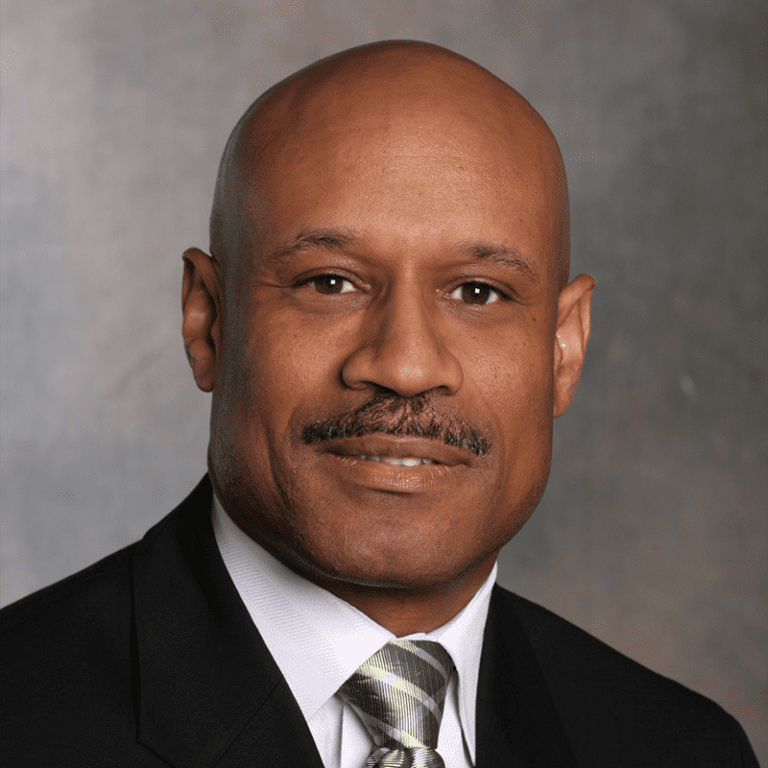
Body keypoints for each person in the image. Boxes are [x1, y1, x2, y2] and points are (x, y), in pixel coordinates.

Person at [0, 40, 758, 767]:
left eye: (478, 292)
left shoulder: (684, 751)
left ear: (563, 349)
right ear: (209, 322)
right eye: (330, 283)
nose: (405, 365)